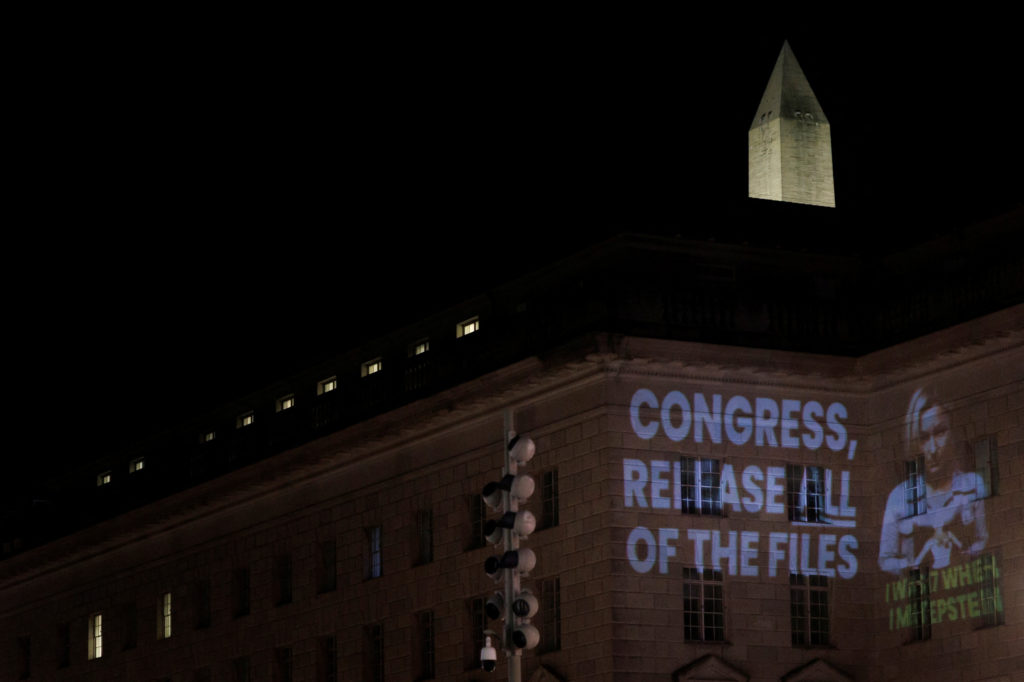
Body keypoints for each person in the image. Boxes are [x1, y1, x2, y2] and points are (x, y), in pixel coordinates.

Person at [878, 389, 988, 575]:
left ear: (952, 433)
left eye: (939, 433)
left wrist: (967, 554)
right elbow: (885, 560)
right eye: (923, 438)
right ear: (915, 443)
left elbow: (984, 540)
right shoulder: (898, 497)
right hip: (921, 598)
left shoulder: (973, 486)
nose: (933, 448)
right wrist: (913, 562)